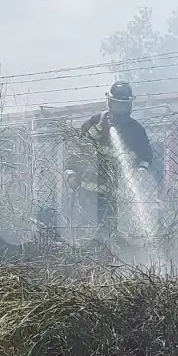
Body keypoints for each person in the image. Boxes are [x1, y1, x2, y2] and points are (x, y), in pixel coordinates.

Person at [64, 80, 154, 241]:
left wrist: (139, 173)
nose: (120, 110)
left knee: (111, 231)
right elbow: (77, 150)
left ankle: (111, 255)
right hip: (88, 190)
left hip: (118, 192)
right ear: (110, 102)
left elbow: (146, 157)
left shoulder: (135, 130)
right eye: (117, 105)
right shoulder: (95, 123)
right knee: (88, 231)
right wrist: (71, 173)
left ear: (129, 105)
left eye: (123, 106)